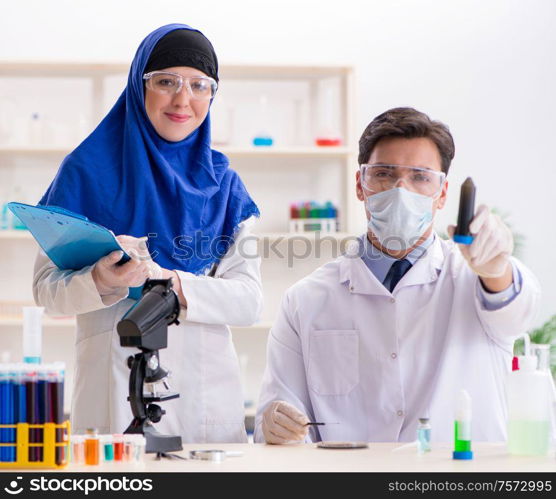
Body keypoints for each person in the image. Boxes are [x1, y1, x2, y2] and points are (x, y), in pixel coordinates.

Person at [33, 24, 263, 443]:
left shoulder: (225, 186)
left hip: (206, 410)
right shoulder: (84, 174)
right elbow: (46, 290)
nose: (183, 99)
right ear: (139, 86)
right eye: (166, 81)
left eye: (199, 85)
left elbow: (249, 301)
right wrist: (100, 280)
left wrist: (174, 283)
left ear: (213, 95)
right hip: (112, 404)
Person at [255, 107, 540, 444]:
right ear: (361, 184)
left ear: (442, 194)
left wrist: (497, 269)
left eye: (420, 176)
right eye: (384, 174)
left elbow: (516, 314)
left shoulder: (474, 280)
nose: (400, 190)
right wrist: (272, 424)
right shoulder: (306, 299)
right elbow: (281, 417)